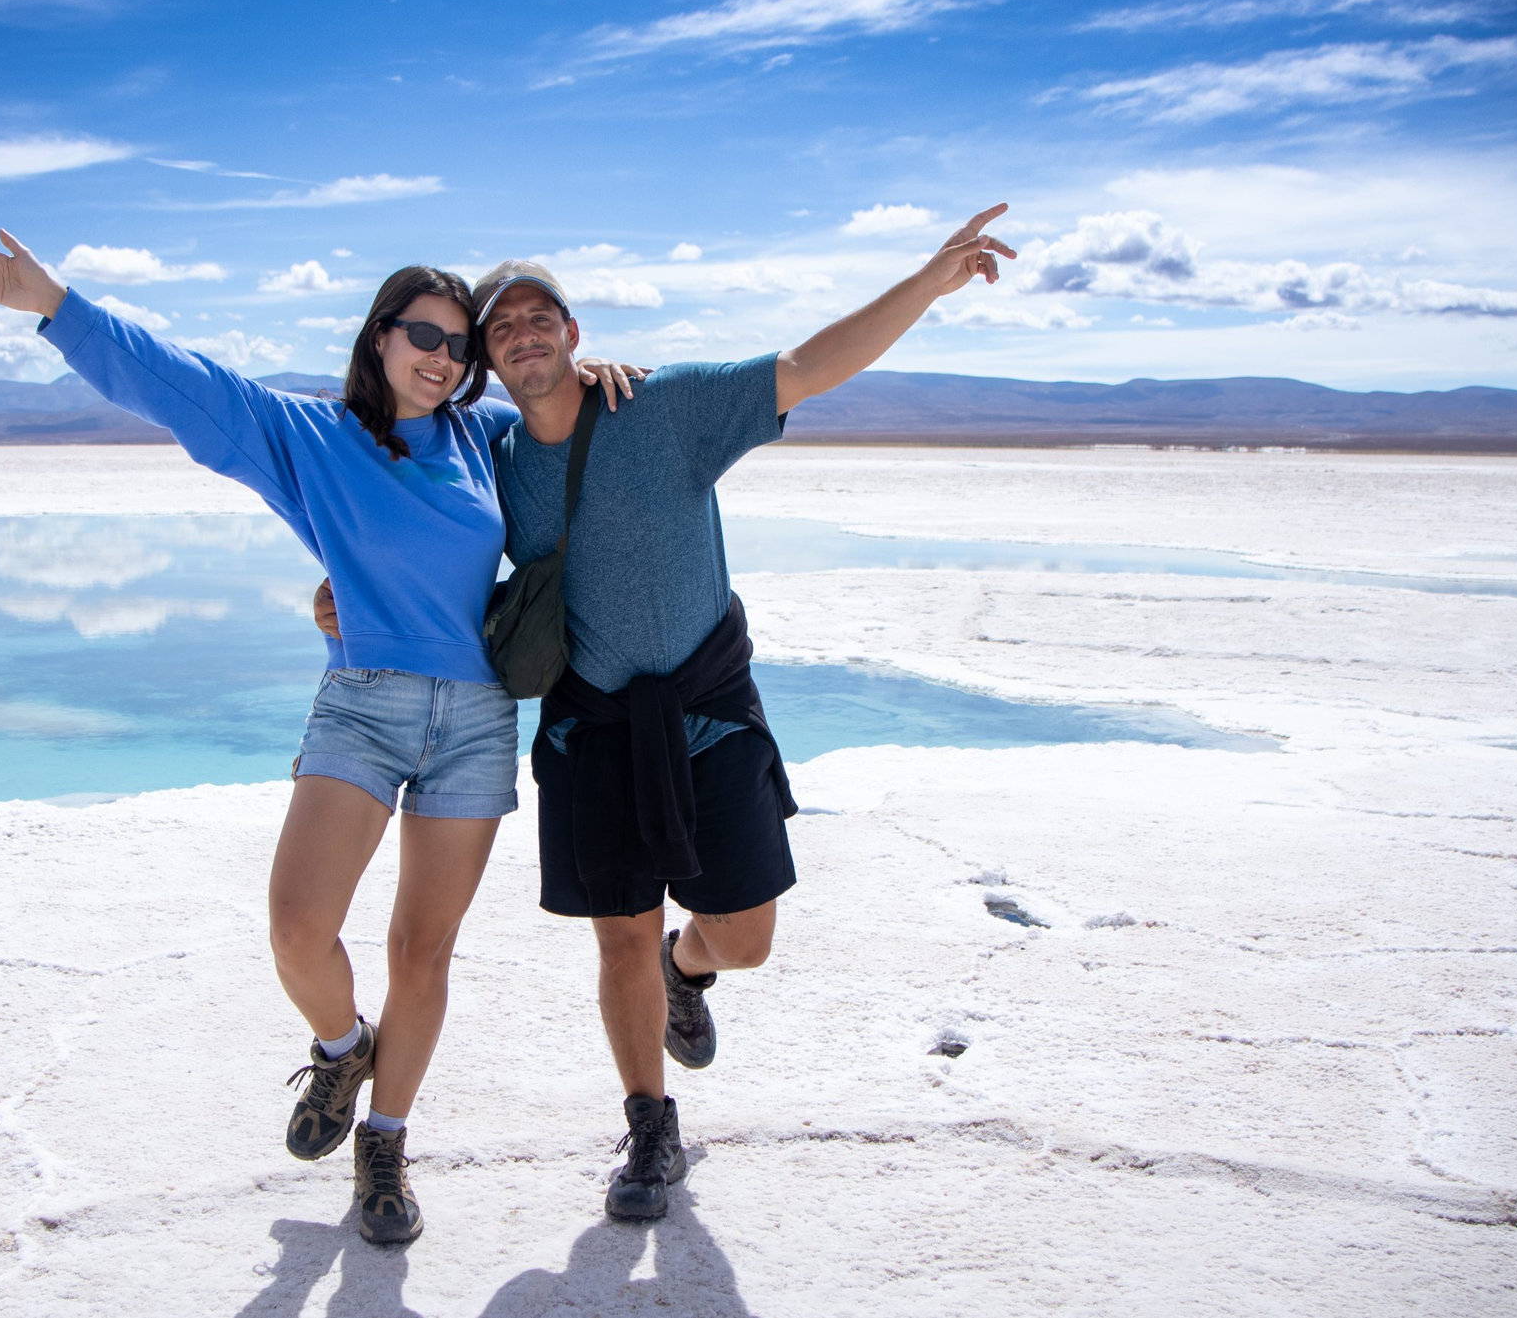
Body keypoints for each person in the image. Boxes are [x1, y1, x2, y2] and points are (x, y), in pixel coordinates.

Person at [0, 228, 641, 1245]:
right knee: (297, 926)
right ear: (378, 338)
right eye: (423, 335)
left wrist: (603, 373)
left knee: (422, 947)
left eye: (459, 345)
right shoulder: (307, 437)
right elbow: (186, 385)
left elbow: (557, 428)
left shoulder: (478, 439)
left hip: (477, 718)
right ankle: (341, 1041)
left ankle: (387, 1145)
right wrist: (57, 305)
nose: (443, 357)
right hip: (362, 704)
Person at [323, 203, 1015, 1220]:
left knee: (744, 935)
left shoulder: (668, 405)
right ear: (489, 360)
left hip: (705, 707)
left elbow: (808, 364)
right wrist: (343, 595)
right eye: (501, 325)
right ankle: (651, 1124)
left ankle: (686, 966)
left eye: (539, 315)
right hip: (592, 726)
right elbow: (424, 535)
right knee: (615, 936)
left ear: (572, 332)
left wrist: (927, 280)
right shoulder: (497, 457)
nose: (522, 332)